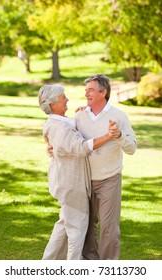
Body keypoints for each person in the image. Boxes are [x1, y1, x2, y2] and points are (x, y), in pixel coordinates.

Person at [38, 84, 114, 260]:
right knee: (76, 232)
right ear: (52, 104)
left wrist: (83, 114)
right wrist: (108, 136)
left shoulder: (59, 122)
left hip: (67, 182)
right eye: (63, 97)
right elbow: (80, 147)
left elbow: (65, 140)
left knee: (64, 226)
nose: (67, 99)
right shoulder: (59, 127)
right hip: (71, 185)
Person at [75, 74, 137, 260]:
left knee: (109, 228)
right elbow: (73, 143)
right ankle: (89, 264)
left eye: (91, 90)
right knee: (86, 225)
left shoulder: (119, 116)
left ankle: (109, 268)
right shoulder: (79, 115)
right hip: (84, 178)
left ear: (103, 92)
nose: (86, 93)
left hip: (109, 178)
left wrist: (118, 136)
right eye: (86, 90)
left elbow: (132, 148)